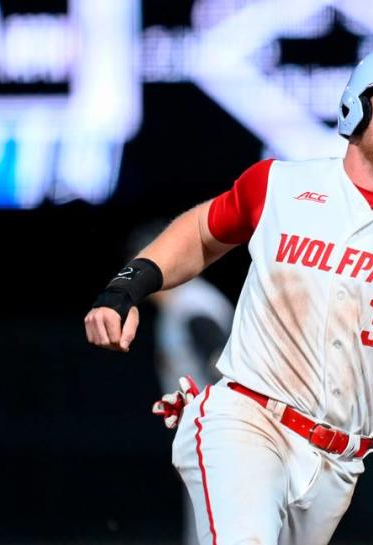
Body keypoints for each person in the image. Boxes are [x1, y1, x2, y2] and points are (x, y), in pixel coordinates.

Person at [84, 43, 373, 545]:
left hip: (339, 461)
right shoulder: (280, 185)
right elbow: (199, 234)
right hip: (247, 420)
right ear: (357, 105)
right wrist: (126, 287)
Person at [127, 221, 235, 545]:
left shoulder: (193, 307)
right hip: (208, 437)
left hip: (222, 437)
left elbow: (224, 372)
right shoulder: (178, 307)